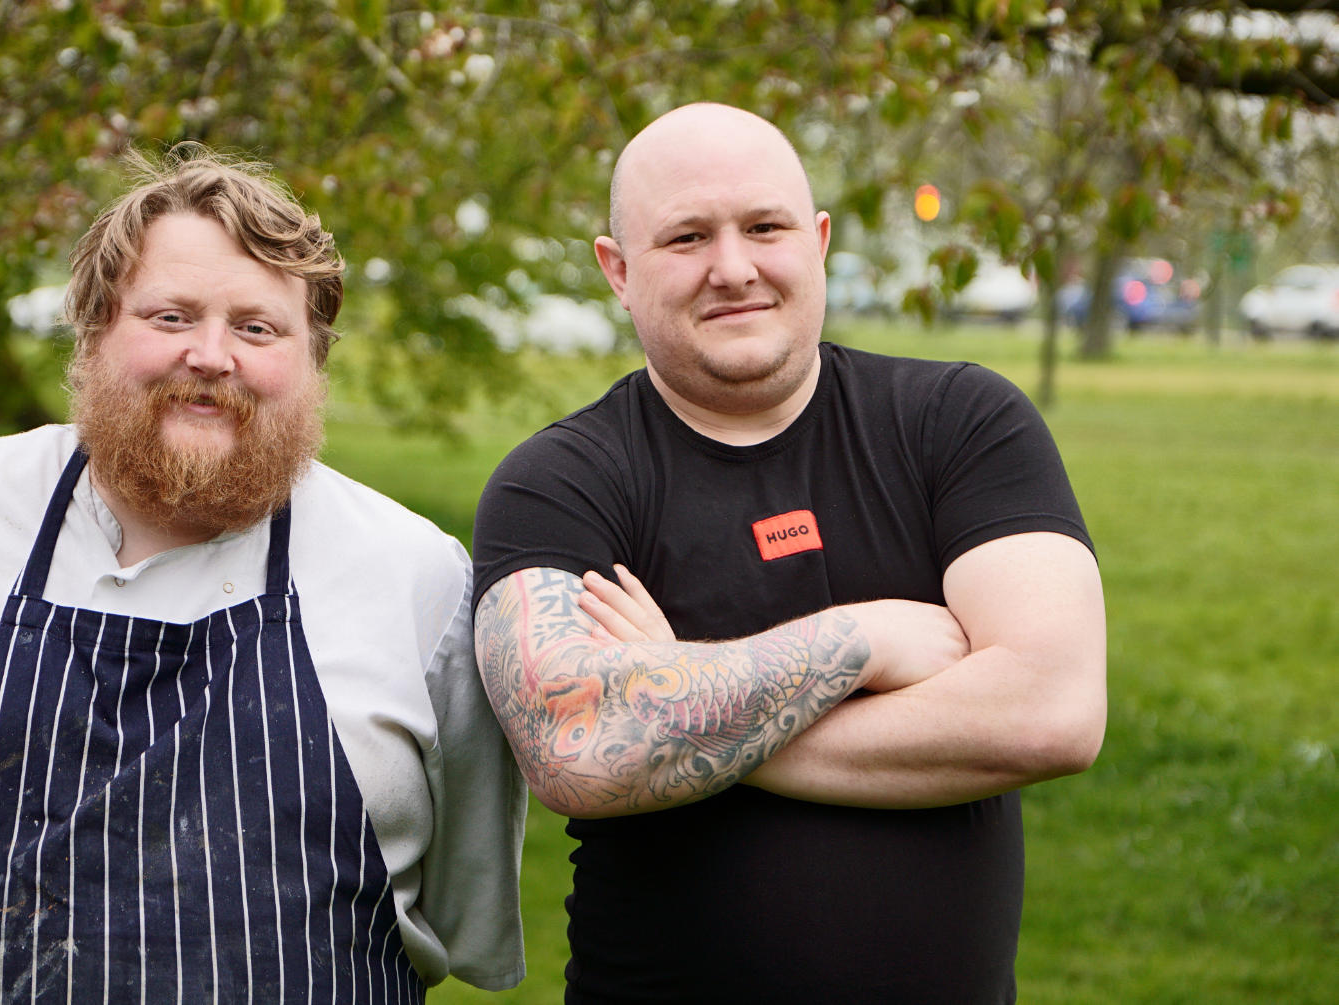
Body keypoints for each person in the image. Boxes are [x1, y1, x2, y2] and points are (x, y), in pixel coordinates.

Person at [0, 147, 526, 1003]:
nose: (211, 356)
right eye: (171, 316)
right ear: (95, 328)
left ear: (312, 359)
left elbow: (465, 907)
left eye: (257, 327)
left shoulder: (419, 580)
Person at [472, 102, 1107, 1003]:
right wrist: (865, 641)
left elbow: (1052, 710)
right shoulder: (561, 482)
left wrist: (673, 689)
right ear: (618, 270)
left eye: (764, 227)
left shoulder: (960, 424)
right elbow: (574, 744)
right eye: (686, 237)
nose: (733, 269)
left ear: (816, 239)